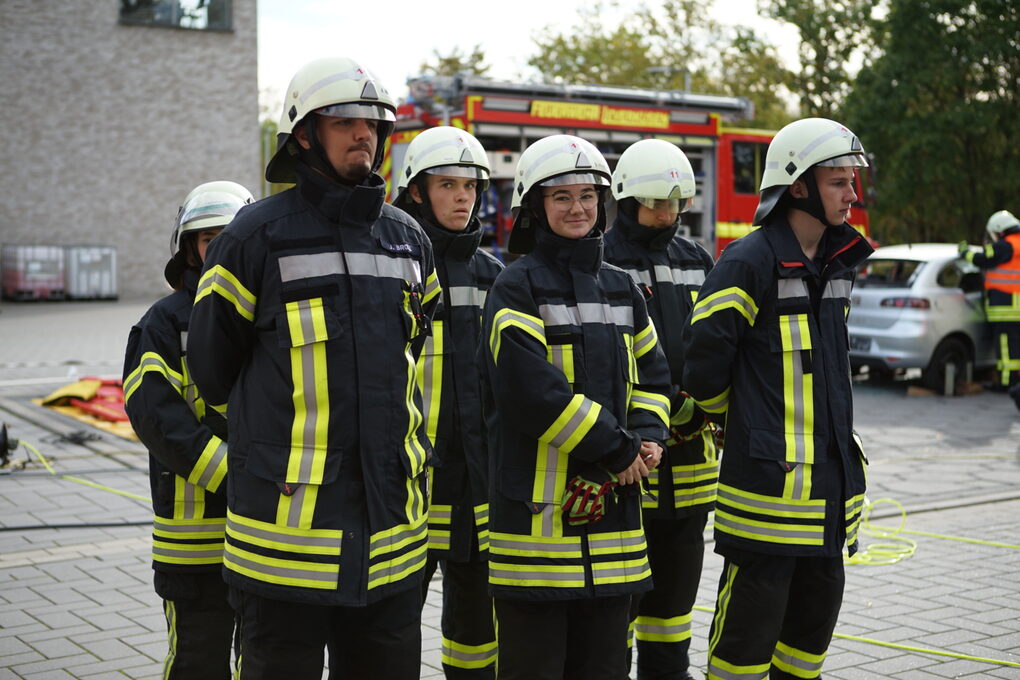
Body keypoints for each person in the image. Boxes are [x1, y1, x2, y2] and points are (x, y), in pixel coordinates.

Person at [186, 57, 440, 680]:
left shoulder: (409, 240)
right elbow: (212, 369)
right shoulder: (253, 238)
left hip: (391, 548)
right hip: (284, 549)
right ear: (304, 134)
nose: (365, 135)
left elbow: (420, 351)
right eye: (346, 121)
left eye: (375, 124)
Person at [681, 117, 872, 680]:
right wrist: (737, 426)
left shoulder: (837, 264)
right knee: (741, 655)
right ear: (798, 186)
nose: (852, 194)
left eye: (852, 180)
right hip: (768, 505)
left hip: (827, 507)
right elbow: (702, 367)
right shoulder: (748, 262)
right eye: (838, 181)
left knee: (805, 654)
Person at [479, 134, 672, 680]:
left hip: (614, 529)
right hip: (538, 531)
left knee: (606, 667)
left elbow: (654, 374)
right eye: (561, 197)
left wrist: (648, 436)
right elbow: (529, 392)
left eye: (587, 195)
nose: (577, 208)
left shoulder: (621, 289)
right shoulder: (515, 288)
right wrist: (617, 449)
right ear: (535, 206)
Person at [123, 180, 254, 679]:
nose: (219, 248)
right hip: (193, 541)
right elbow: (155, 413)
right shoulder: (163, 322)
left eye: (230, 237)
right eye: (208, 238)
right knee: (197, 661)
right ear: (189, 248)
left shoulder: (268, 316)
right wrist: (234, 472)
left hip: (267, 534)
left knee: (262, 660)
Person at [604, 139, 716, 680]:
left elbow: (715, 347)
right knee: (618, 610)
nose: (667, 214)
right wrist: (673, 409)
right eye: (656, 203)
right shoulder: (601, 260)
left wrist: (708, 404)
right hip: (631, 467)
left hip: (692, 472)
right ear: (626, 200)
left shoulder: (696, 260)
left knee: (674, 612)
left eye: (676, 203)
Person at [393, 126, 503, 678]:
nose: (464, 197)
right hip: (411, 477)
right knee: (391, 626)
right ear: (415, 191)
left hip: (478, 482)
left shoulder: (495, 276)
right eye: (448, 185)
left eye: (471, 186)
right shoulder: (393, 268)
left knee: (477, 629)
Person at [959, 210, 1020, 410]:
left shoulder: (1006, 245)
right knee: (1014, 350)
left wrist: (964, 251)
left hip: (1006, 308)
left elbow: (982, 258)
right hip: (1015, 308)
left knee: (1006, 350)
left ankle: (1006, 384)